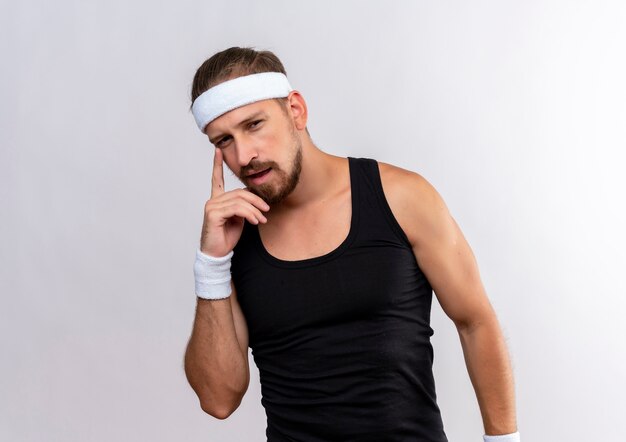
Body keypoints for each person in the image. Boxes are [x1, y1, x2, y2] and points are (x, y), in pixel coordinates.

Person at [184, 47, 519, 442]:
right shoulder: (233, 242)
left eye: (254, 125)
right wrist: (211, 264)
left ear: (296, 110)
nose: (244, 156)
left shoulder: (401, 197)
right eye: (224, 141)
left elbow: (475, 321)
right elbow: (218, 399)